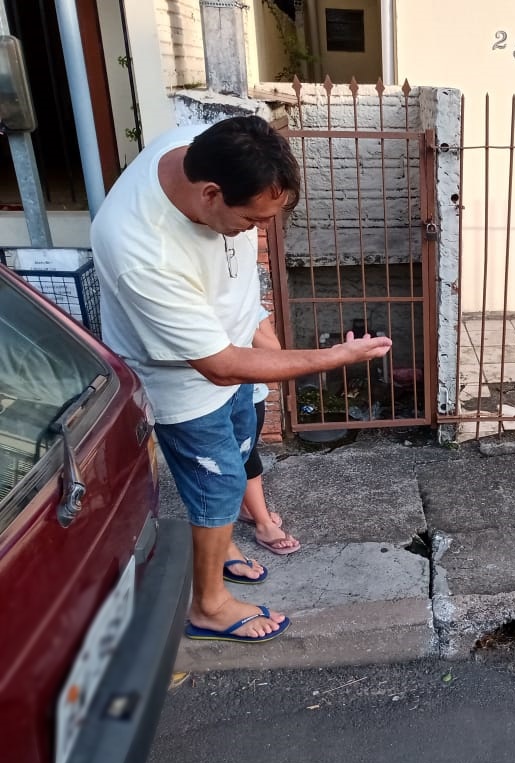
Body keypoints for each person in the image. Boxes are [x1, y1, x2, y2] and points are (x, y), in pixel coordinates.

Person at [92, 115, 392, 641]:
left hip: (234, 344)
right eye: (251, 221)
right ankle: (207, 606)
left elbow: (234, 289)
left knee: (240, 448)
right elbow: (217, 365)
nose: (257, 231)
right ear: (211, 194)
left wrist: (261, 324)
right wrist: (335, 357)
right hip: (182, 378)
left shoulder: (198, 140)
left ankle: (223, 542)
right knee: (219, 480)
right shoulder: (141, 248)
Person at [239, 309, 300, 555]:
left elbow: (273, 351)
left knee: (247, 451)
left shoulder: (249, 305)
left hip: (250, 393)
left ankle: (254, 514)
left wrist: (240, 319)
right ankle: (259, 519)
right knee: (238, 457)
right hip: (212, 396)